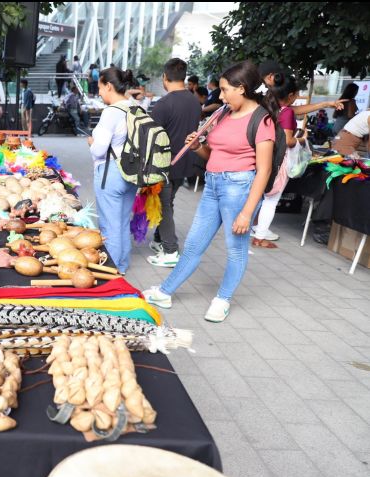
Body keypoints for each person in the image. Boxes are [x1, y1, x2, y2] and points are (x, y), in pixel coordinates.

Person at [143, 60, 276, 323]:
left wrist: (247, 212)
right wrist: (197, 147)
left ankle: (222, 299)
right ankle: (165, 292)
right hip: (213, 184)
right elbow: (213, 155)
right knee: (194, 244)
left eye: (225, 90)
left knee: (235, 249)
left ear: (242, 88)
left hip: (239, 188)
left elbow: (264, 170)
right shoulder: (224, 113)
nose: (221, 96)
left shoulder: (262, 120)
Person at [147, 58, 202, 268]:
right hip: (185, 162)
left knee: (164, 206)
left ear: (165, 77)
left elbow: (150, 138)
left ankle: (170, 250)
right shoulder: (194, 101)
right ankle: (159, 240)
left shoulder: (163, 104)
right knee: (168, 202)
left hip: (165, 165)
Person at [87, 66, 140, 274]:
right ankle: (122, 265)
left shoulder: (111, 112)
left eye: (100, 87)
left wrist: (91, 143)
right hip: (132, 172)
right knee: (122, 221)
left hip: (110, 173)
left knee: (109, 225)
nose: (99, 92)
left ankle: (112, 269)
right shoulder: (135, 107)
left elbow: (99, 150)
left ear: (109, 86)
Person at [251, 73, 308, 248]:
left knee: (258, 195)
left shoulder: (266, 106)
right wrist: (302, 139)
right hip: (278, 160)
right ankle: (260, 236)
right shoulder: (287, 112)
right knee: (271, 199)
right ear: (290, 95)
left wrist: (326, 104)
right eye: (297, 94)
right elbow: (288, 141)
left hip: (261, 156)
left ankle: (254, 228)